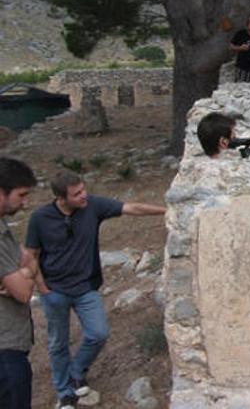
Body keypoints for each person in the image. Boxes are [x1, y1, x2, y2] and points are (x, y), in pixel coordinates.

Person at [24, 172, 166, 409]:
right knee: (57, 343)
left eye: (84, 189)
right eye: (77, 193)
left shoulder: (93, 206)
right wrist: (42, 288)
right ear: (61, 198)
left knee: (98, 333)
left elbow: (132, 208)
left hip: (86, 288)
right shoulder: (40, 218)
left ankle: (77, 370)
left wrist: (166, 211)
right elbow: (31, 255)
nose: (84, 196)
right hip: (54, 291)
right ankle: (65, 392)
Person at [0, 158, 38, 409]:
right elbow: (23, 293)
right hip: (5, 350)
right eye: (21, 194)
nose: (25, 203)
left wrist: (23, 269)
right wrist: (28, 269)